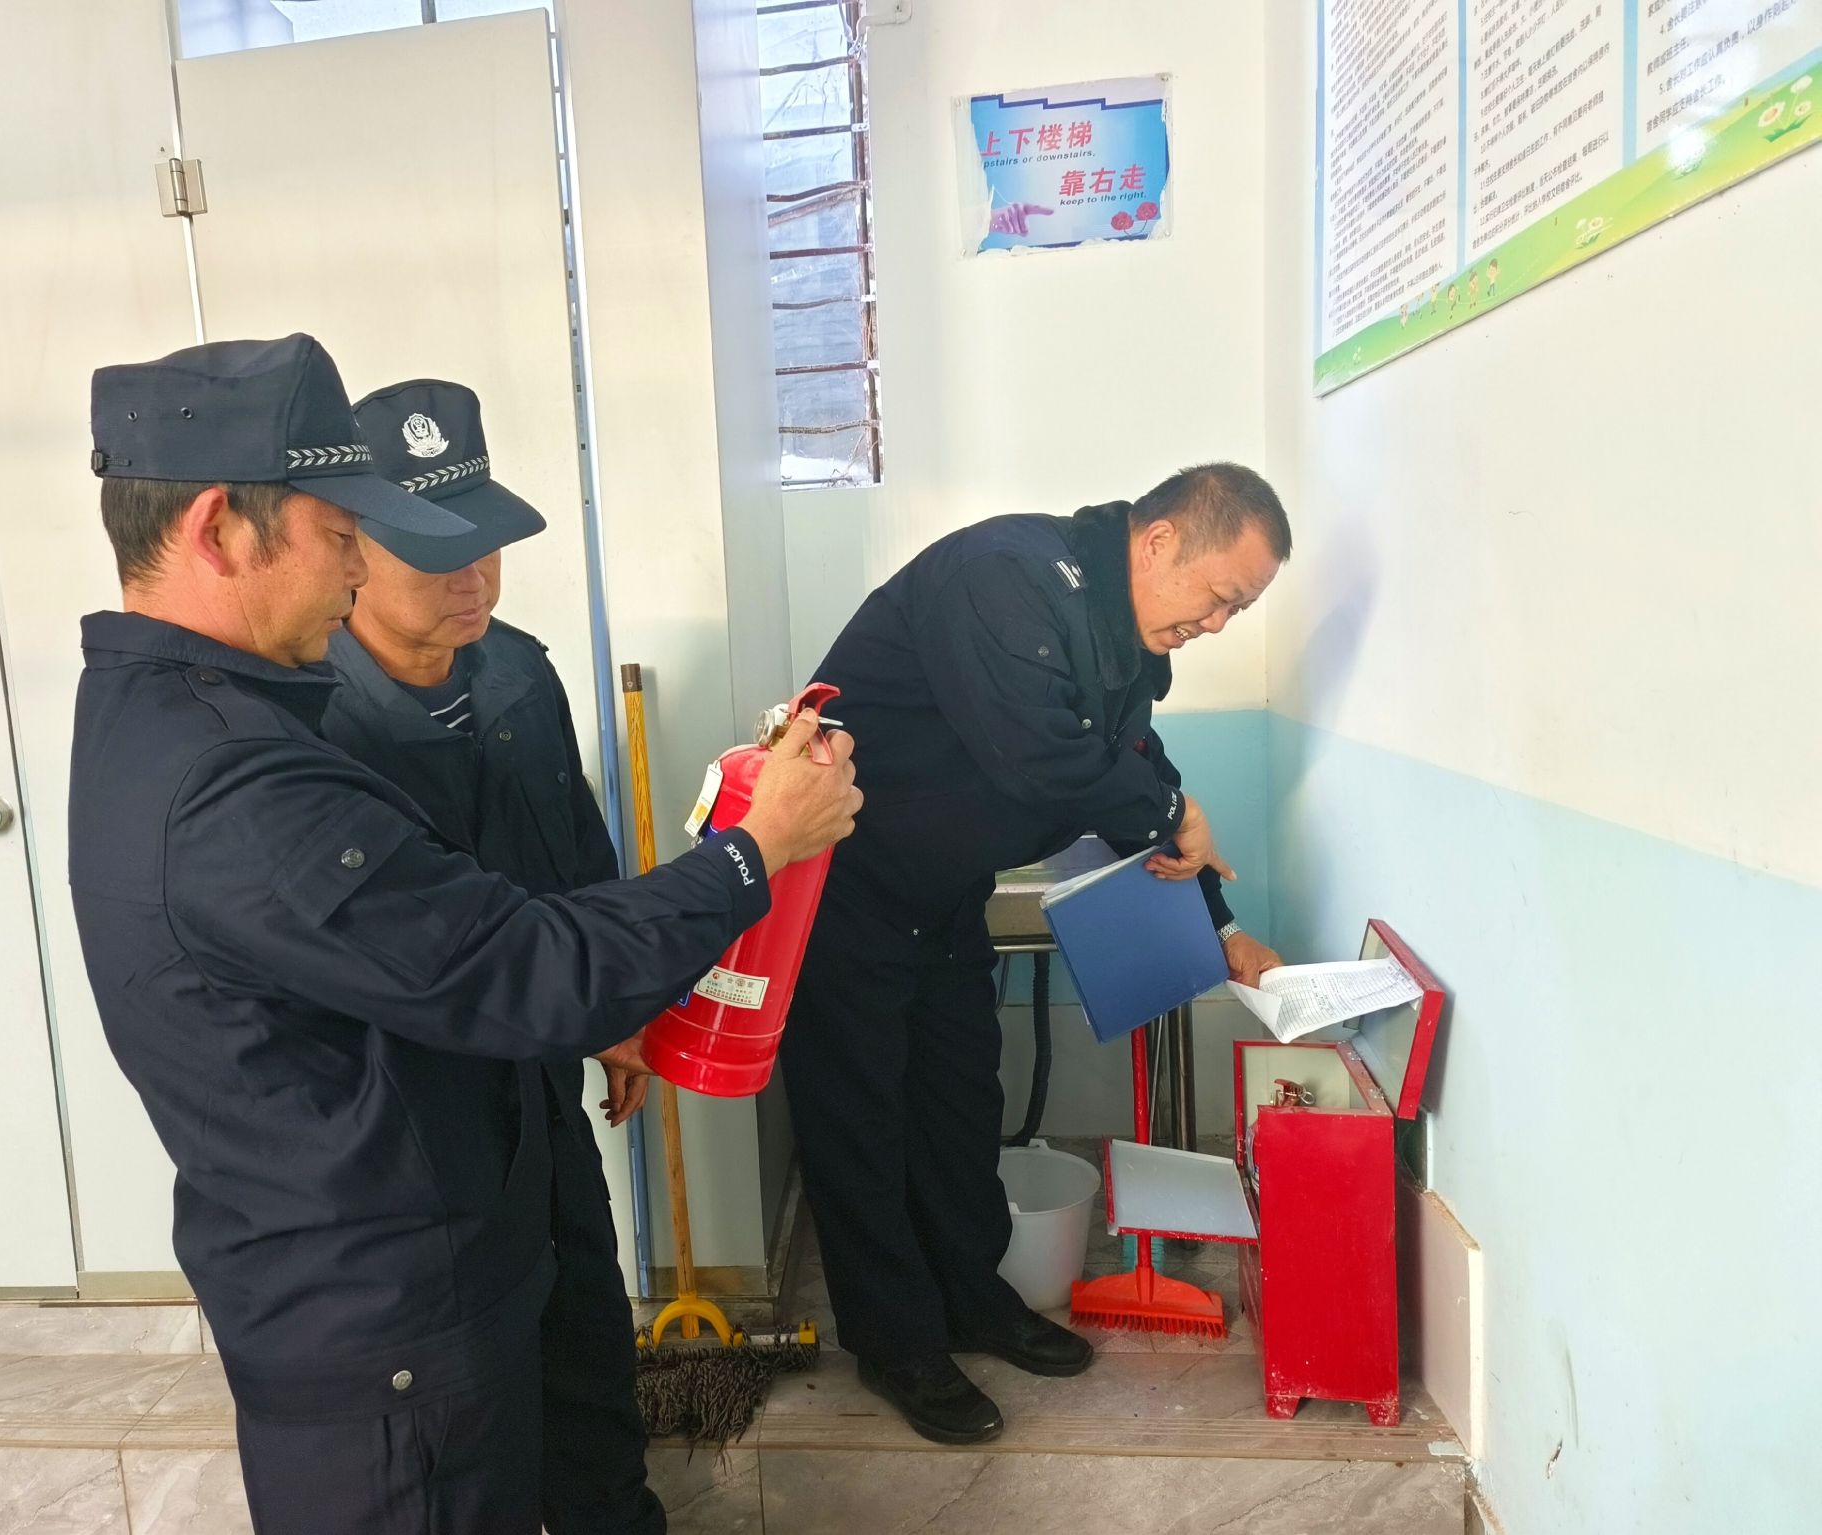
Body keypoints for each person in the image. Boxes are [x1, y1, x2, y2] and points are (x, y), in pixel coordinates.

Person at [68, 334, 860, 1533]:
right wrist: (754, 850)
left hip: (462, 1194)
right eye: (343, 534)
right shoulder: (242, 780)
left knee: (585, 1437)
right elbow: (518, 965)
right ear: (221, 527)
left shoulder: (198, 715)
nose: (355, 570)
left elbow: (543, 900)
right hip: (381, 1311)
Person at [779, 464, 1290, 1445]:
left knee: (959, 1103)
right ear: (1159, 541)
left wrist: (1222, 928)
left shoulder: (1127, 645)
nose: (1219, 623)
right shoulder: (1003, 576)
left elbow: (1136, 778)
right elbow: (1041, 755)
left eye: (1240, 609)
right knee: (861, 1121)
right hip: (844, 890)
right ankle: (895, 1341)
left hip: (940, 897)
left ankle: (973, 1299)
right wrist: (1170, 808)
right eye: (1219, 596)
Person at [319, 376, 658, 1532]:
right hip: (415, 1120)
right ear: (351, 549)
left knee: (587, 1328)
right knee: (473, 1381)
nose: (470, 575)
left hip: (539, 1076)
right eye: (433, 551)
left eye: (485, 542)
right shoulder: (312, 724)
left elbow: (576, 850)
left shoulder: (514, 669)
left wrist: (618, 1008)